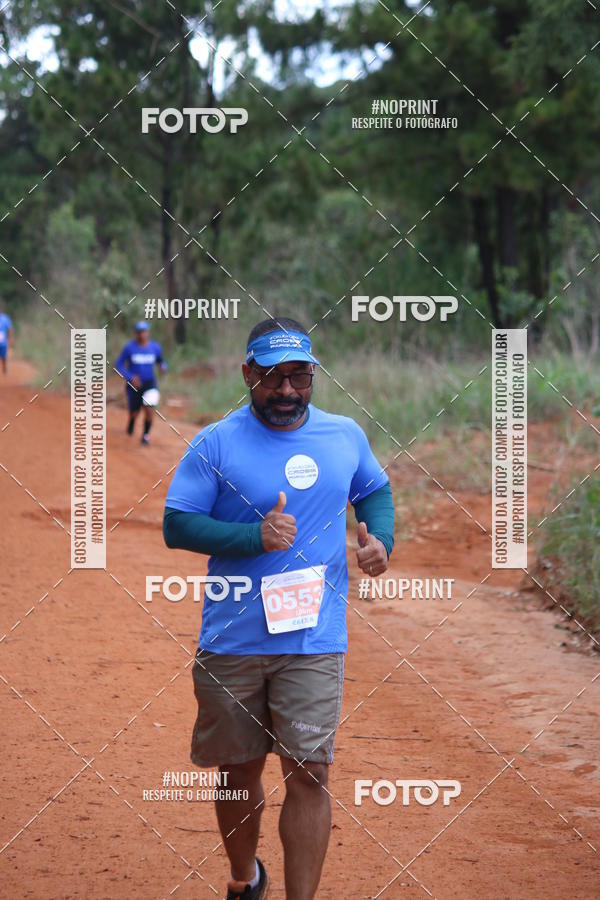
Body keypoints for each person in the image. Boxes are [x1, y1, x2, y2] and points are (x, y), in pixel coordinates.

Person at [163, 317, 394, 900]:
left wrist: (379, 542)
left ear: (313, 376)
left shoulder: (343, 436)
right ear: (247, 374)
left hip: (313, 638)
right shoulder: (215, 441)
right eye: (272, 377)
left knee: (310, 772)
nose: (287, 390)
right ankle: (245, 880)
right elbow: (176, 523)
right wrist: (252, 538)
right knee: (239, 772)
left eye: (300, 376)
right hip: (234, 636)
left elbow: (375, 491)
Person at [115, 321, 167, 445]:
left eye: (144, 331)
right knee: (134, 412)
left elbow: (161, 361)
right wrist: (130, 377)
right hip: (134, 385)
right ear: (136, 333)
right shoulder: (129, 348)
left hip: (150, 384)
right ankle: (132, 421)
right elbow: (119, 364)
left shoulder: (155, 347)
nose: (141, 334)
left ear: (148, 332)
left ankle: (145, 436)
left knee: (149, 409)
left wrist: (163, 366)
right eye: (139, 332)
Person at [0, 309, 14, 374]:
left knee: (3, 356)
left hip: (3, 342)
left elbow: (10, 328)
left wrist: (11, 338)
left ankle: (4, 367)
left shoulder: (5, 318)